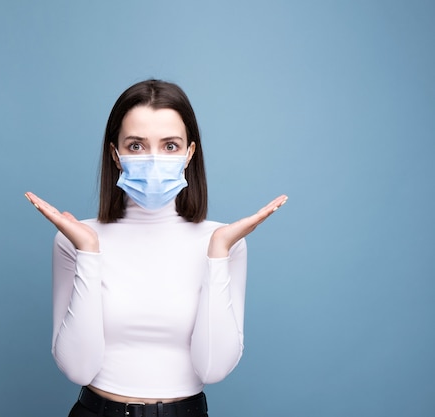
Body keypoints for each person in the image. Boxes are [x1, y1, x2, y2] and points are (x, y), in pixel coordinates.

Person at [25, 79, 287, 417]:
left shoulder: (223, 242)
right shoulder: (76, 239)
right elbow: (78, 369)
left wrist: (218, 252)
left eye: (170, 146)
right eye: (136, 146)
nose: (153, 160)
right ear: (115, 155)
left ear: (190, 153)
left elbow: (213, 369)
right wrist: (89, 251)